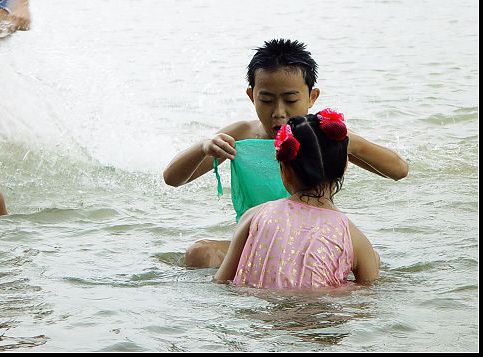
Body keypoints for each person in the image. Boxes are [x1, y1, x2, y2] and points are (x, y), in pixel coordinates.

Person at [163, 39, 408, 268]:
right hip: (254, 244)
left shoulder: (323, 136)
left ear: (312, 97)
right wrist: (203, 147)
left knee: (370, 258)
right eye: (267, 100)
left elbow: (399, 170)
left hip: (314, 244)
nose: (278, 112)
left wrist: (349, 144)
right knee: (199, 253)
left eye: (290, 100)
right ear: (252, 96)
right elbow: (172, 179)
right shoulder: (240, 135)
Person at [214, 111, 380, 288]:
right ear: (344, 166)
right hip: (320, 311)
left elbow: (222, 281)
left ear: (284, 170)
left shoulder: (253, 216)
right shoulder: (353, 237)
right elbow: (368, 300)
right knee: (374, 260)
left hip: (261, 311)